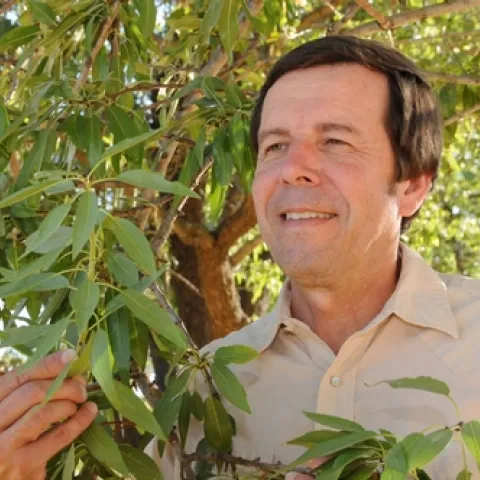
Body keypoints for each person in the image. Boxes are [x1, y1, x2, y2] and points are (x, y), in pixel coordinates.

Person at [1, 36, 479, 479]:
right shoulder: (203, 389)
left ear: (413, 183)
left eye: (335, 142)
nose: (293, 169)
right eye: (274, 146)